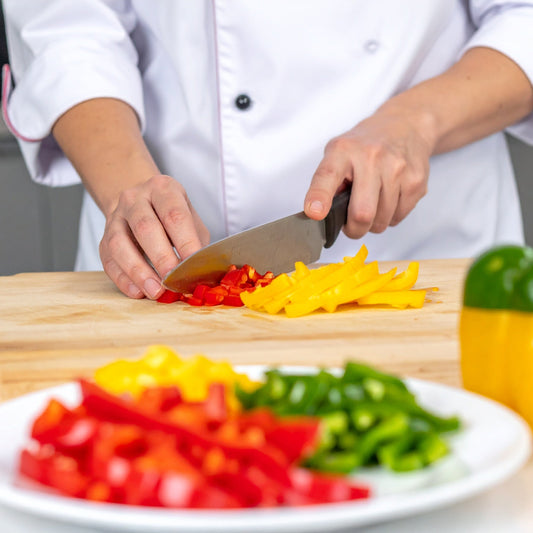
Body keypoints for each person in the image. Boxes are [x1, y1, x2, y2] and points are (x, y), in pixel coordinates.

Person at [3, 1, 533, 300]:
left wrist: (415, 122)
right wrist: (129, 188)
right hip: (160, 265)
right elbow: (66, 27)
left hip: (424, 263)